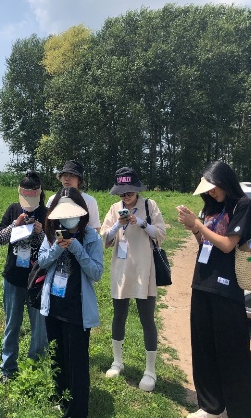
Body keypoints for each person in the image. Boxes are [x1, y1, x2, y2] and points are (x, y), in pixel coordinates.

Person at [177, 161, 251, 418]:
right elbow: (204, 243)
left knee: (233, 351)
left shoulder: (243, 206)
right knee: (203, 348)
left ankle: (244, 412)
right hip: (202, 283)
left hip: (227, 289)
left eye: (214, 187)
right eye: (208, 189)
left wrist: (198, 224)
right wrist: (195, 229)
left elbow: (227, 245)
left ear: (225, 181)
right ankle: (211, 406)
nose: (211, 192)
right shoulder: (210, 207)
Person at [38, 187, 103, 417]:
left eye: (71, 215)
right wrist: (57, 249)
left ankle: (77, 410)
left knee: (77, 361)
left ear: (81, 213)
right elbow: (42, 261)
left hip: (77, 309)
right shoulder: (52, 233)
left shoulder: (91, 237)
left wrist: (76, 248)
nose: (67, 220)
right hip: (54, 306)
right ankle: (61, 397)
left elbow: (96, 272)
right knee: (57, 356)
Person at [100, 167, 166, 392]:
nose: (125, 197)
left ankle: (150, 370)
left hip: (144, 270)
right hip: (121, 270)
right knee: (119, 315)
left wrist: (142, 223)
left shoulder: (149, 206)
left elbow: (161, 234)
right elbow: (105, 238)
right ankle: (117, 361)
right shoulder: (114, 208)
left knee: (147, 318)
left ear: (137, 190)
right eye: (122, 193)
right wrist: (118, 224)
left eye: (129, 192)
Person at [0, 170, 48, 382]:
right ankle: (7, 368)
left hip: (38, 279)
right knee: (12, 324)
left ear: (39, 194)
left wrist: (40, 232)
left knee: (39, 328)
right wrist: (15, 225)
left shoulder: (46, 213)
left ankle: (34, 368)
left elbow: (52, 247)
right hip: (14, 278)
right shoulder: (13, 209)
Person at [46, 160, 101, 231]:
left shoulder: (89, 201)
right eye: (65, 175)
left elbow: (95, 228)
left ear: (79, 180)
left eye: (72, 175)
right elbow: (47, 225)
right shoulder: (53, 199)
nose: (67, 179)